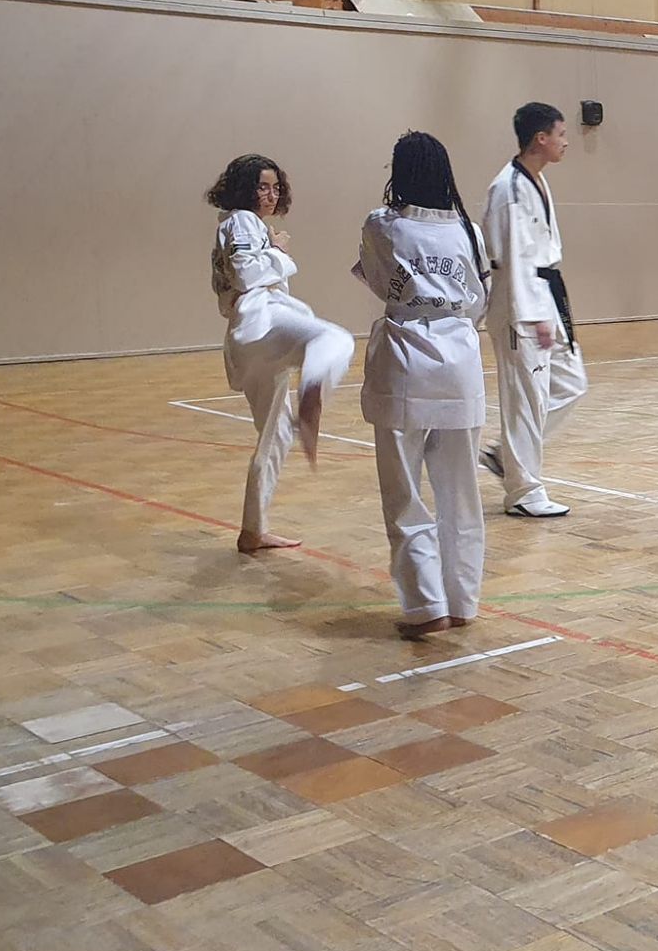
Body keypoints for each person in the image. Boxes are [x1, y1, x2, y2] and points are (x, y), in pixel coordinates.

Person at [355, 133, 490, 639]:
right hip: (460, 363)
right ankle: (462, 600)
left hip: (405, 361)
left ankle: (425, 604)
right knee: (462, 493)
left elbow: (376, 279)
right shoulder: (469, 231)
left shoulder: (382, 224)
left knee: (404, 493)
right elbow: (480, 298)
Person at [206, 154, 354, 554]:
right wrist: (279, 251)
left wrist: (270, 249)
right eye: (262, 187)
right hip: (261, 321)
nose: (270, 195)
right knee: (335, 340)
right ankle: (311, 395)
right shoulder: (242, 221)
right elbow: (246, 275)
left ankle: (252, 531)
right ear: (244, 190)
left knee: (275, 437)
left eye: (275, 187)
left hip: (249, 339)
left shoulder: (236, 225)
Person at [480, 102, 587, 518]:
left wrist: (547, 311)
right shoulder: (508, 189)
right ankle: (523, 492)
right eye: (561, 134)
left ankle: (506, 456)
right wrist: (533, 315)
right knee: (525, 399)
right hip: (519, 304)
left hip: (545, 294)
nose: (566, 142)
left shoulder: (535, 181)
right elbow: (511, 258)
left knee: (571, 382)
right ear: (540, 138)